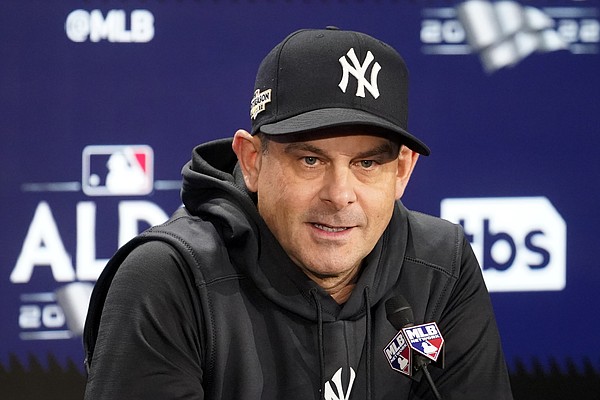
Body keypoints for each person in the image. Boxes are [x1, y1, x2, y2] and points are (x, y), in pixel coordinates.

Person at [83, 27, 513, 399]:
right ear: (252, 161)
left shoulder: (441, 266)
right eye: (311, 161)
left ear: (402, 171)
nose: (340, 195)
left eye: (366, 164)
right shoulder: (170, 276)